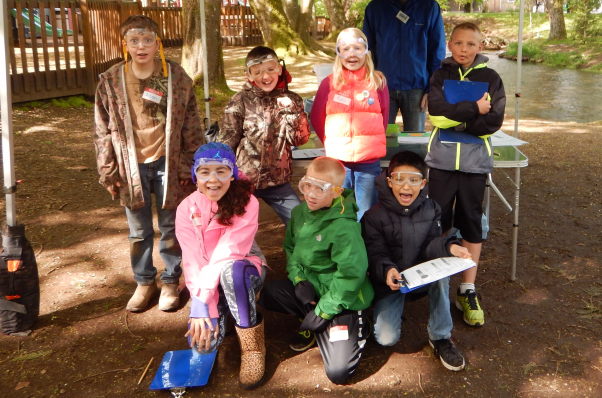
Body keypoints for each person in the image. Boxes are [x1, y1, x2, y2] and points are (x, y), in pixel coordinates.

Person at [94, 15, 203, 313]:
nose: (141, 46)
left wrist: (191, 166)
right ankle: (144, 282)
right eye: (134, 40)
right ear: (124, 44)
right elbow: (101, 129)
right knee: (138, 231)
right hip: (131, 165)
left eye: (147, 40)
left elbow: (192, 125)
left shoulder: (176, 77)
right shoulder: (111, 81)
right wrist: (108, 170)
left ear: (158, 44)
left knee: (171, 227)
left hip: (169, 161)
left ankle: (170, 280)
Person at [257, 157, 374, 385]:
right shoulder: (300, 213)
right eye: (307, 185)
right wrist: (299, 280)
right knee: (269, 293)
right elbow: (291, 249)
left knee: (339, 372)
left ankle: (357, 324)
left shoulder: (344, 228)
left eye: (320, 189)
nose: (310, 194)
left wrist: (323, 312)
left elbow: (351, 274)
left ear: (337, 191)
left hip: (343, 297)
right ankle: (313, 320)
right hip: (313, 288)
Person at [425, 21, 506, 327]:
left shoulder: (491, 77)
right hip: (443, 162)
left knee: (472, 221)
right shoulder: (440, 74)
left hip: (474, 164)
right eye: (458, 43)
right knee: (440, 220)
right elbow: (435, 113)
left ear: (480, 47)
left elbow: (494, 119)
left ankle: (467, 287)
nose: (464, 49)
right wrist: (474, 108)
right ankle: (440, 281)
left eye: (470, 44)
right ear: (450, 45)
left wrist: (455, 118)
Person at [361, 150, 471, 371]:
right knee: (386, 339)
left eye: (414, 180)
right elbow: (375, 254)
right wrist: (387, 270)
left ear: (423, 184)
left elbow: (432, 244)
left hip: (422, 277)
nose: (406, 186)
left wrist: (451, 246)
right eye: (400, 179)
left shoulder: (432, 209)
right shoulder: (373, 216)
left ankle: (441, 336)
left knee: (443, 275)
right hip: (391, 283)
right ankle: (374, 314)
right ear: (389, 181)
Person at [176, 142, 267, 390]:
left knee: (233, 272)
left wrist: (202, 300)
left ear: (233, 174)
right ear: (195, 176)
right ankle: (225, 309)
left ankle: (252, 347)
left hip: (243, 266)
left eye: (221, 171)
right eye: (205, 172)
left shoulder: (248, 202)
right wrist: (202, 306)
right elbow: (193, 258)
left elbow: (229, 253)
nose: (213, 180)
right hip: (207, 277)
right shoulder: (186, 208)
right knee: (203, 346)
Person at [218, 46, 310, 226]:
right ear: (249, 76)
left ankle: (300, 254)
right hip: (244, 180)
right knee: (233, 225)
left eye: (270, 69)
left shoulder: (293, 100)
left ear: (279, 69)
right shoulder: (239, 101)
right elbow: (227, 140)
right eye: (258, 72)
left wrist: (292, 113)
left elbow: (300, 139)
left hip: (279, 181)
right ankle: (244, 255)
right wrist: (220, 172)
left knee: (301, 225)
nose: (265, 76)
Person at [310, 28, 389, 220]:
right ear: (338, 53)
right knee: (340, 208)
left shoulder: (377, 81)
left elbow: (384, 116)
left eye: (357, 48)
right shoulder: (329, 83)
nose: (352, 54)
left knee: (366, 211)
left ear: (366, 52)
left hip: (369, 162)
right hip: (339, 162)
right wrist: (331, 143)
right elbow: (316, 117)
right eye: (345, 49)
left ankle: (363, 247)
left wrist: (371, 143)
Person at [362, 0, 445, 132]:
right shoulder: (375, 8)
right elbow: (366, 51)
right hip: (382, 86)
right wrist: (368, 82)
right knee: (381, 139)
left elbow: (437, 50)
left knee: (414, 142)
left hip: (417, 87)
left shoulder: (429, 7)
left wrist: (433, 87)